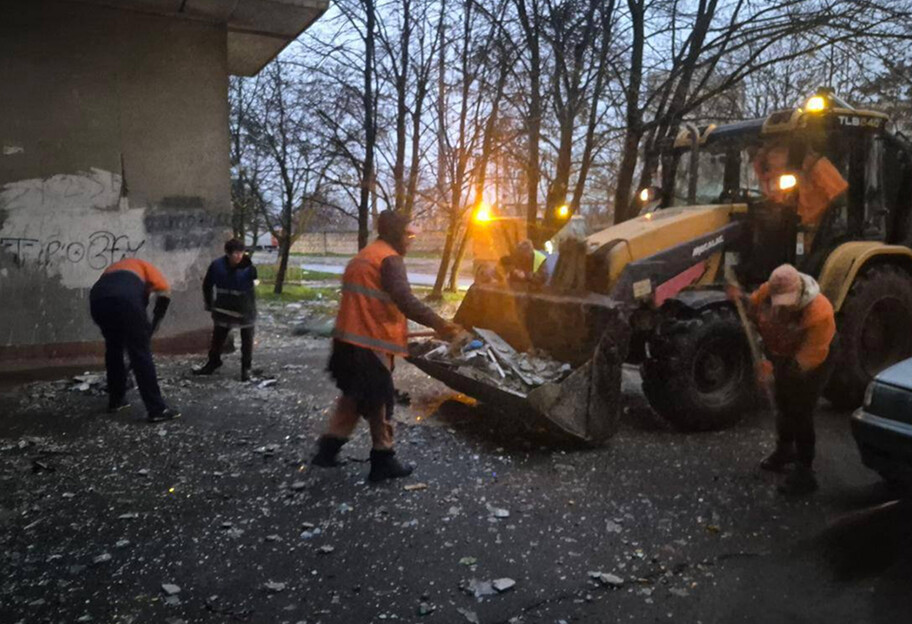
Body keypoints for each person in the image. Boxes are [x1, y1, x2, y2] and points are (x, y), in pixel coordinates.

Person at [312, 210, 462, 482]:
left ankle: (327, 450)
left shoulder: (364, 256)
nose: (412, 239)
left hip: (346, 341)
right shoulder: (389, 259)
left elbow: (374, 302)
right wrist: (444, 326)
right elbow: (405, 300)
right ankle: (383, 460)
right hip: (369, 344)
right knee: (379, 401)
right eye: (409, 234)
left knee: (353, 397)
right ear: (395, 233)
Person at [729, 264, 836, 496]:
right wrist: (741, 298)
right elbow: (753, 307)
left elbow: (805, 361)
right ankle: (785, 450)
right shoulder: (769, 291)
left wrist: (774, 371)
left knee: (800, 409)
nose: (781, 309)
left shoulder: (819, 314)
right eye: (779, 303)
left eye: (787, 304)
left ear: (798, 294)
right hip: (783, 352)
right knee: (783, 402)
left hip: (813, 360)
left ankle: (805, 472)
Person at [89, 258, 179, 423]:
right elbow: (164, 292)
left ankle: (116, 400)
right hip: (125, 301)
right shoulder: (147, 267)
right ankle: (157, 409)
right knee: (140, 353)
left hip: (97, 300)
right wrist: (155, 323)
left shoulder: (114, 270)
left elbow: (134, 299)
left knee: (113, 347)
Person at [193, 239, 258, 381]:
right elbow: (207, 284)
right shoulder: (217, 266)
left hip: (245, 308)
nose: (239, 256)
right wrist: (209, 303)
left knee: (247, 339)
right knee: (218, 337)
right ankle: (213, 362)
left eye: (241, 253)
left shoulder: (249, 268)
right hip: (223, 307)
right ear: (228, 254)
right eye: (235, 253)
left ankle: (246, 368)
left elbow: (253, 287)